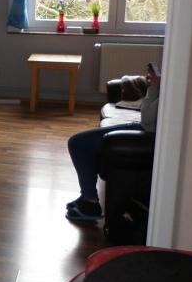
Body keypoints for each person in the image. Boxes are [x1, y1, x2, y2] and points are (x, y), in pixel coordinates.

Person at [65, 64, 160, 221]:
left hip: (147, 132)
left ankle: (90, 203)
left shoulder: (172, 91)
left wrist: (154, 87)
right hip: (145, 128)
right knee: (82, 142)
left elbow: (148, 119)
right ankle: (87, 196)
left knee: (77, 143)